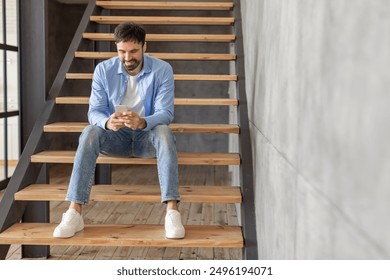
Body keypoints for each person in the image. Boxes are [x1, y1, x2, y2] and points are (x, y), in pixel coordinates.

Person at [53, 22, 185, 239]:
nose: (127, 57)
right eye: (122, 51)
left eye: (133, 51)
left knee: (164, 132)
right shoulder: (103, 70)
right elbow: (94, 111)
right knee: (89, 132)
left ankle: (172, 211)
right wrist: (107, 123)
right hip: (115, 137)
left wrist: (143, 122)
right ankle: (74, 212)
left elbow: (166, 113)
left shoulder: (162, 69)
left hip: (146, 136)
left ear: (144, 46)